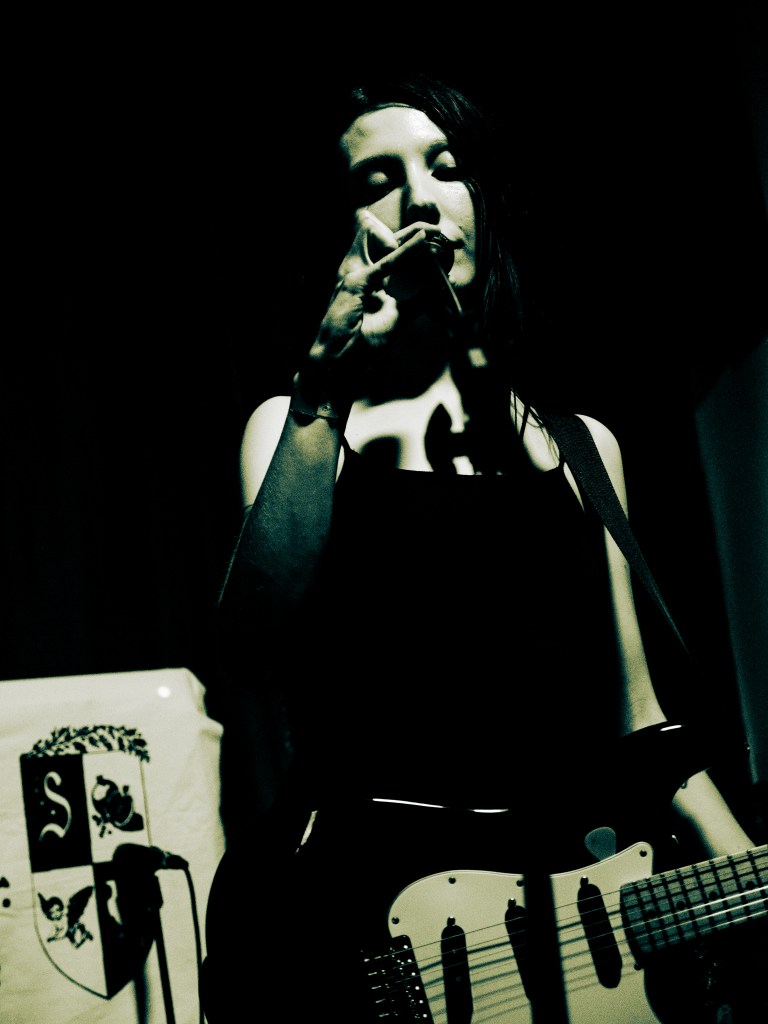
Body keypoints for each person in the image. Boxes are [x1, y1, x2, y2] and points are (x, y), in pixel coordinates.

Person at [201, 72, 764, 1023]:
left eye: (446, 168)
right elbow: (250, 646)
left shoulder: (583, 449)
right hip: (351, 915)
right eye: (378, 180)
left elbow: (638, 720)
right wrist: (320, 391)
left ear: (483, 204)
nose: (421, 200)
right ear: (342, 228)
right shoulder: (298, 427)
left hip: (542, 920)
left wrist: (745, 870)